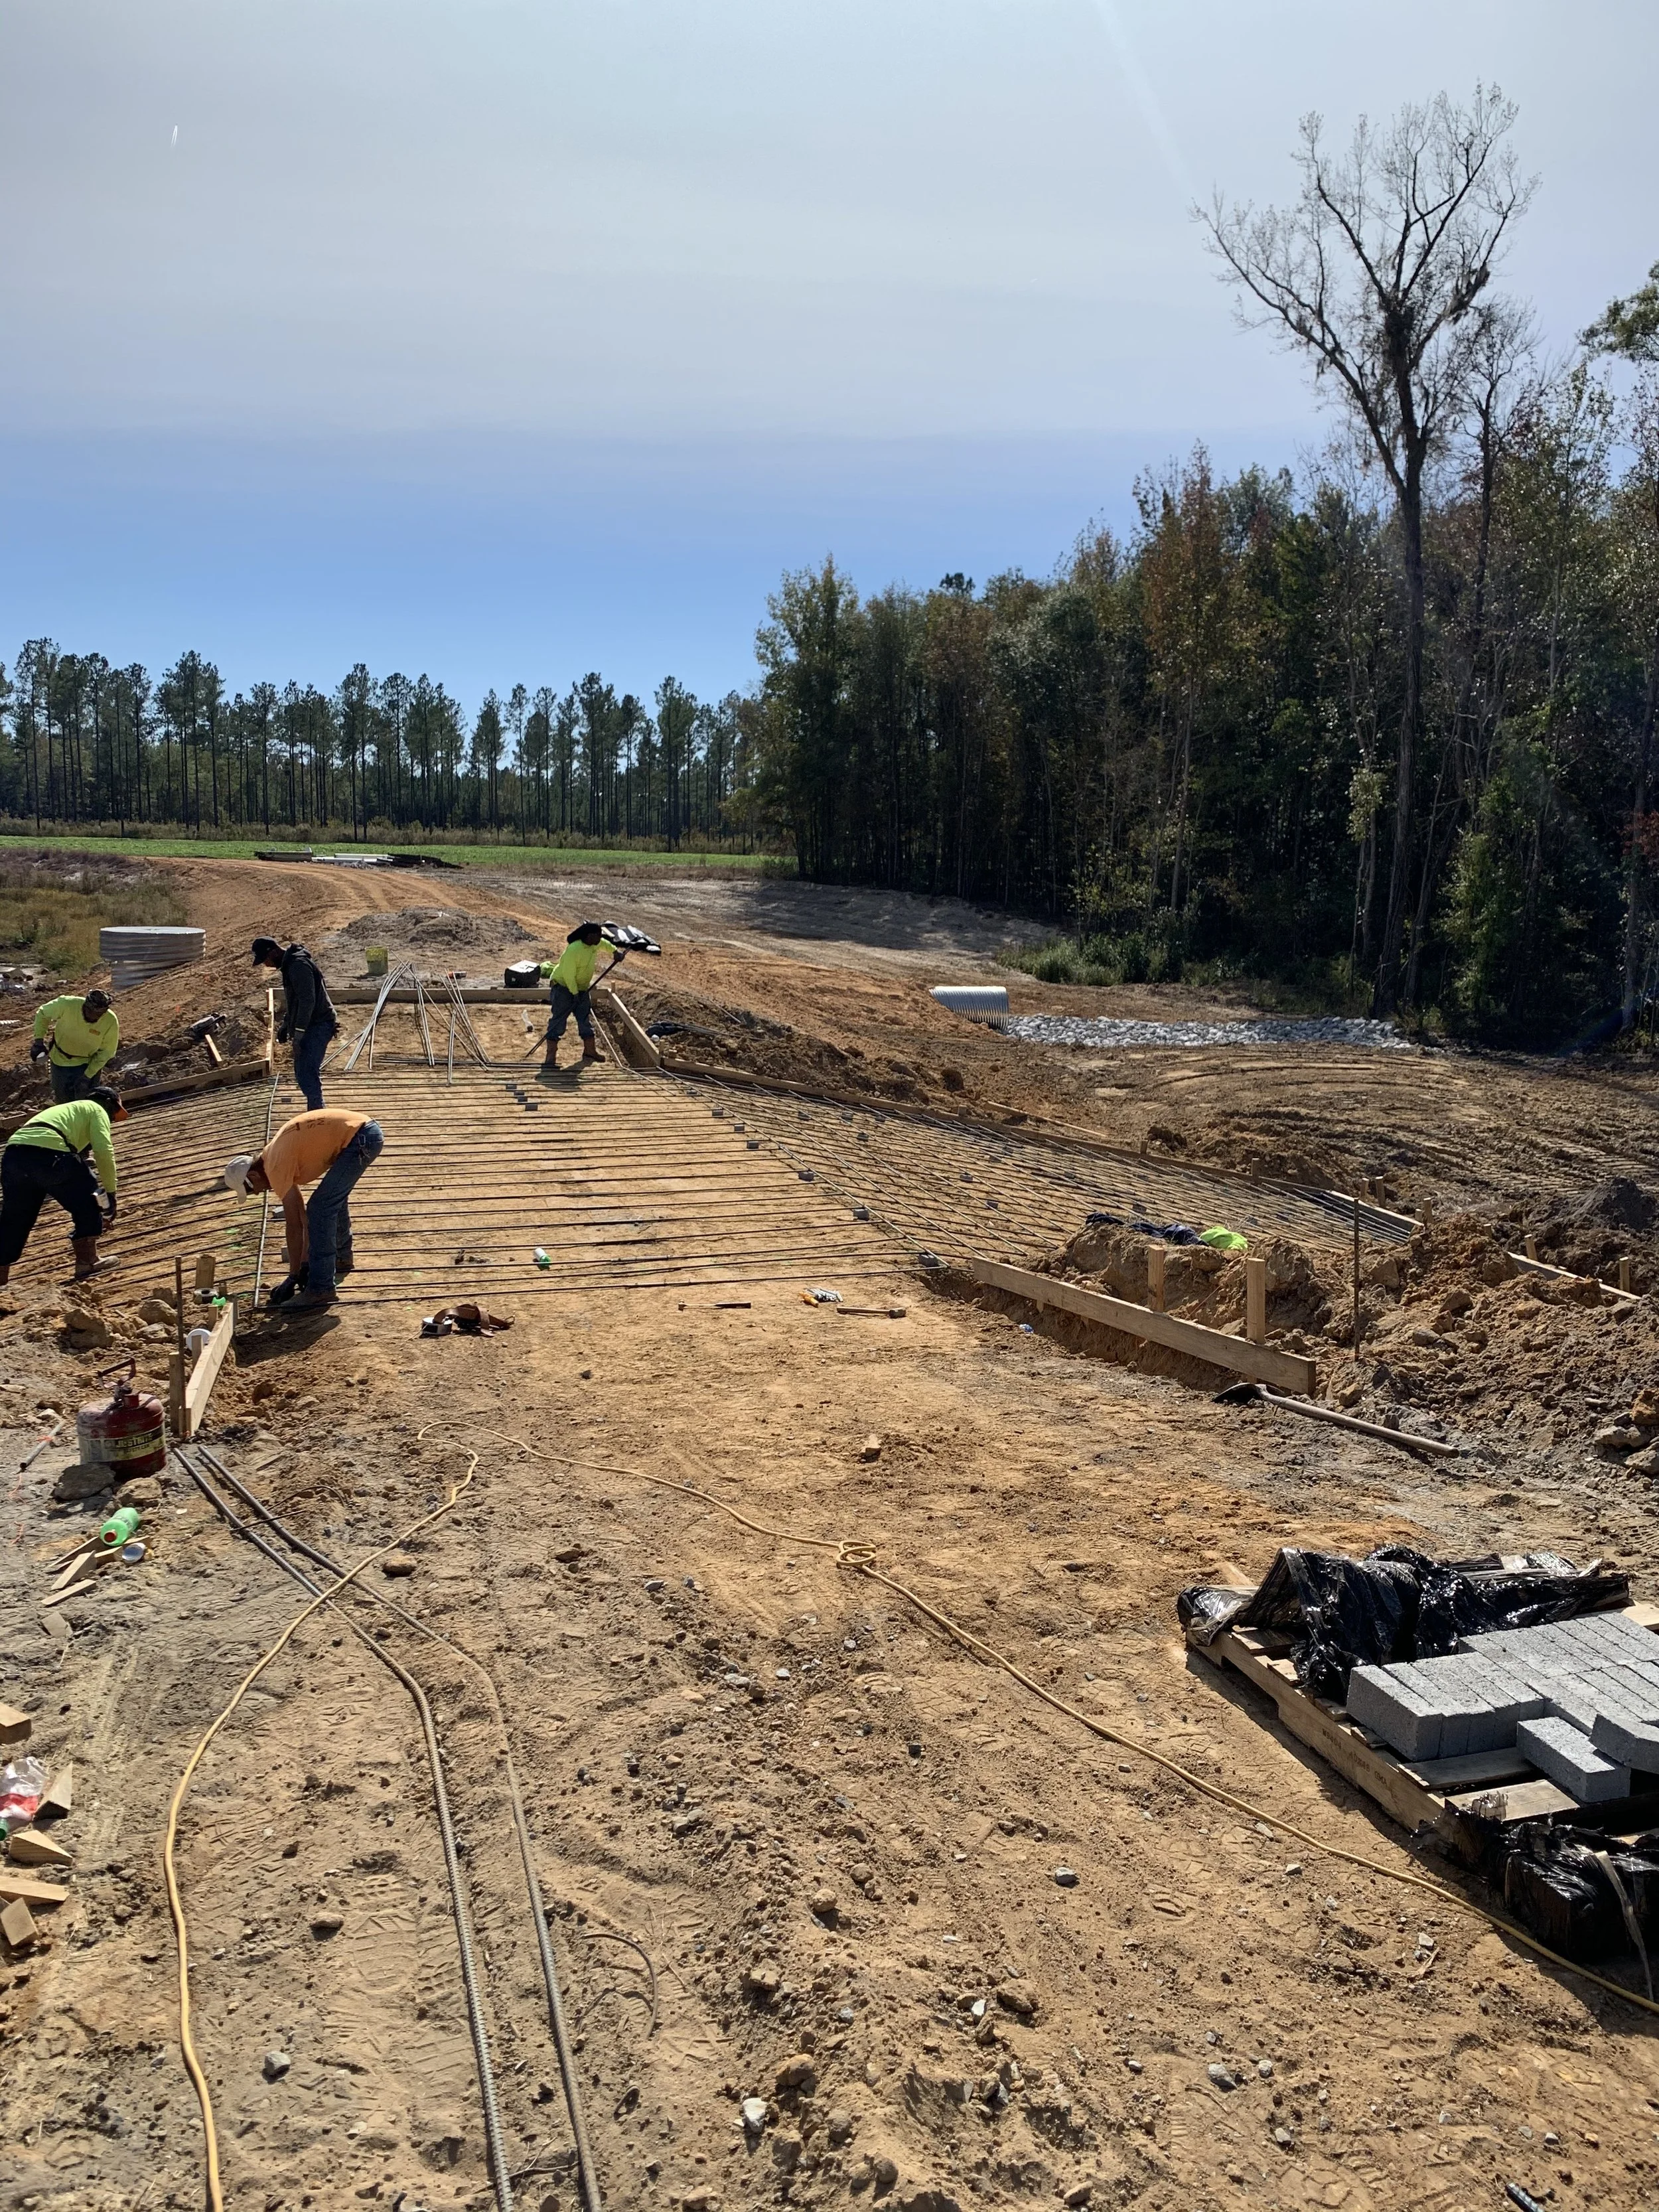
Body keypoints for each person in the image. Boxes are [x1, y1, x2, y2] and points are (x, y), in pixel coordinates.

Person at [224, 1106, 383, 1314]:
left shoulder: (275, 1166)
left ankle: (322, 1289)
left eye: (252, 1190)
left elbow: (294, 1224)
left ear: (253, 1177)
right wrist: (304, 1266)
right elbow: (301, 1217)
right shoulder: (273, 1156)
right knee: (330, 1199)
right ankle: (341, 1257)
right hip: (362, 1133)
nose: (257, 1194)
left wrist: (293, 1275)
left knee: (321, 1208)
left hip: (360, 1138)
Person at [0, 1084, 125, 1285]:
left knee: (14, 1219)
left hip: (13, 1156)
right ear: (110, 1104)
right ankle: (88, 1261)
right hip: (51, 1154)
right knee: (90, 1197)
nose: (111, 1120)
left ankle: (0, 1274)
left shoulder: (66, 1111)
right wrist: (110, 1192)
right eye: (114, 1114)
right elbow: (104, 1150)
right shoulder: (97, 1109)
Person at [252, 937, 339, 1112]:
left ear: (274, 952)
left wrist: (298, 1034)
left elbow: (308, 1001)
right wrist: (286, 1024)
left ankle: (318, 1116)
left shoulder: (298, 965)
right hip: (311, 1024)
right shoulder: (290, 965)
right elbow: (296, 1001)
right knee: (302, 1073)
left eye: (266, 960)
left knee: (308, 1072)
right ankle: (317, 1113)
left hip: (319, 1024)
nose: (267, 965)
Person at [539, 922, 621, 1070]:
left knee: (584, 1018)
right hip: (564, 987)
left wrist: (615, 951)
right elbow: (569, 975)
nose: (600, 939)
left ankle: (590, 1051)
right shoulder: (574, 949)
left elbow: (604, 944)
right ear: (589, 936)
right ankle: (550, 1056)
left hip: (582, 989)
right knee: (559, 1019)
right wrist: (575, 994)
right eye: (598, 936)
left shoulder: (594, 943)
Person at [31, 988, 119, 1102]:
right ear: (86, 1006)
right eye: (91, 1012)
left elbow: (106, 1052)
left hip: (88, 1064)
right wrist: (38, 1041)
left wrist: (88, 1076)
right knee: (63, 1100)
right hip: (60, 1062)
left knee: (88, 1101)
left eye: (99, 1014)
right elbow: (43, 1013)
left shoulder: (110, 1021)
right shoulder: (67, 1005)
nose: (94, 1017)